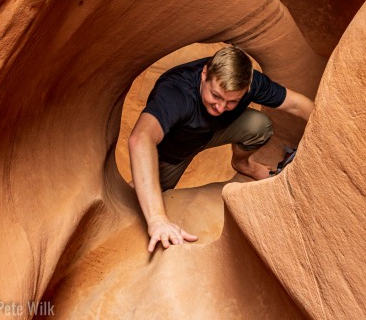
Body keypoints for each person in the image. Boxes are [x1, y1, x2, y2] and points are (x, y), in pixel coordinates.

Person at [128, 45, 314, 253]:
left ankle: (243, 163)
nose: (220, 107)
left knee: (258, 125)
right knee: (135, 201)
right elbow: (140, 139)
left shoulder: (250, 82)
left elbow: (296, 103)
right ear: (205, 74)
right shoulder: (176, 91)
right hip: (175, 151)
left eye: (232, 101)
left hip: (215, 131)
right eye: (215, 95)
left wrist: (326, 127)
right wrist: (157, 219)